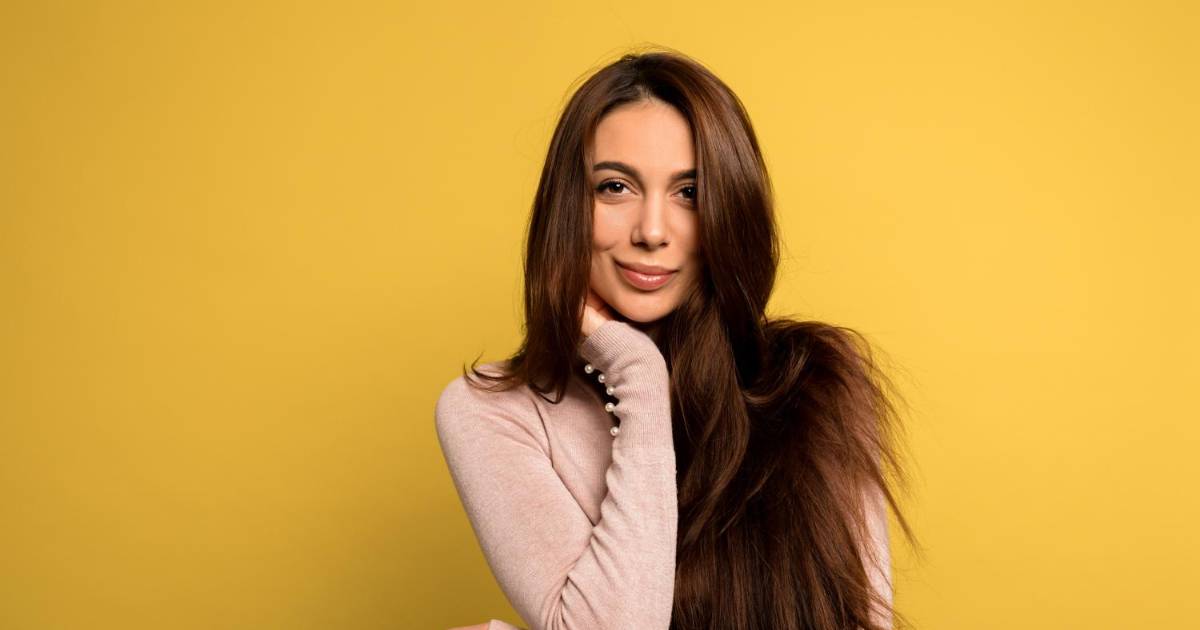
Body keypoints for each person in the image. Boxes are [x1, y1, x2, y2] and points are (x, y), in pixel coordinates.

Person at [435, 47, 918, 630]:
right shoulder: (493, 413)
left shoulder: (814, 386)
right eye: (615, 187)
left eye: (689, 192)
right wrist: (637, 373)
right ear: (568, 206)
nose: (652, 231)